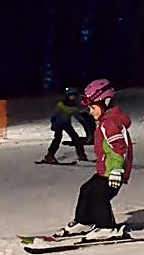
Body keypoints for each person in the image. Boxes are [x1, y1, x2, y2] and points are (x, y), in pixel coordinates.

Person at [51, 79, 133, 241]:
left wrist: (117, 170)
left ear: (106, 103)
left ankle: (106, 227)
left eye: (93, 108)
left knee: (98, 196)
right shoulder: (106, 122)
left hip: (113, 172)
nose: (90, 112)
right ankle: (84, 221)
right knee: (87, 190)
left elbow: (119, 148)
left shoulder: (110, 124)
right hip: (105, 170)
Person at [41, 87, 89, 163]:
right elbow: (55, 115)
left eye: (74, 96)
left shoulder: (74, 105)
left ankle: (81, 155)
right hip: (58, 124)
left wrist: (83, 121)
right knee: (57, 139)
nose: (73, 97)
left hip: (66, 124)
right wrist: (53, 124)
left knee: (76, 138)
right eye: (71, 96)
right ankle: (49, 156)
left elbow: (77, 115)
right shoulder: (61, 104)